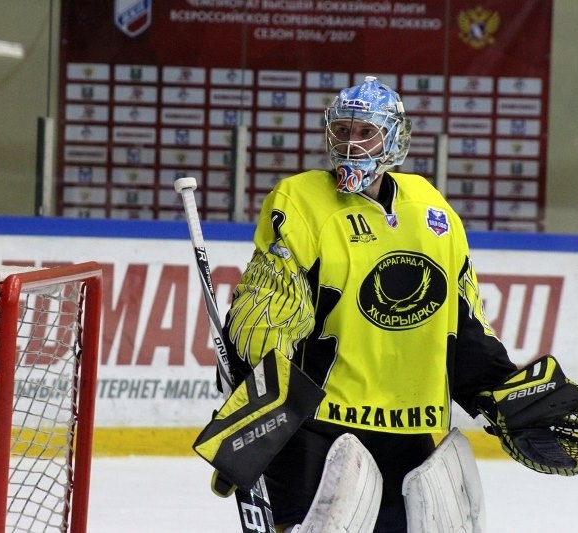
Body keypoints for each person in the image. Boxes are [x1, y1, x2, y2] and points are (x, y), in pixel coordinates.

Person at [218, 75, 520, 532]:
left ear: (395, 138)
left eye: (366, 132)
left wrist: (504, 395)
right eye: (342, 130)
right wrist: (254, 410)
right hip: (317, 425)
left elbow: (461, 322)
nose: (350, 143)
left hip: (411, 428)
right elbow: (268, 316)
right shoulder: (301, 200)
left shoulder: (432, 208)